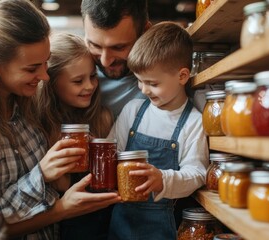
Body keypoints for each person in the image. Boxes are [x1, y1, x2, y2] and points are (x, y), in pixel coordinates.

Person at [0, 0, 120, 239]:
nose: (44, 76)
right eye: (31, 69)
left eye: (46, 62)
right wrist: (45, 181)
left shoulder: (26, 109)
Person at [107, 22, 209, 240]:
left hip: (161, 228)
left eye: (152, 83)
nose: (143, 90)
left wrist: (163, 179)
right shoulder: (133, 111)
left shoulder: (193, 122)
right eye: (139, 81)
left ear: (182, 76)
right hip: (121, 222)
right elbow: (112, 152)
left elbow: (197, 173)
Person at [36, 32, 114, 240]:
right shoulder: (41, 124)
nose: (89, 86)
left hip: (104, 226)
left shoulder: (102, 118)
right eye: (78, 81)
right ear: (50, 82)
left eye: (92, 77)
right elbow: (61, 185)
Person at [81, 0, 151, 118]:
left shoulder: (171, 76)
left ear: (145, 32)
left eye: (118, 47)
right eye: (95, 45)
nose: (105, 61)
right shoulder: (69, 73)